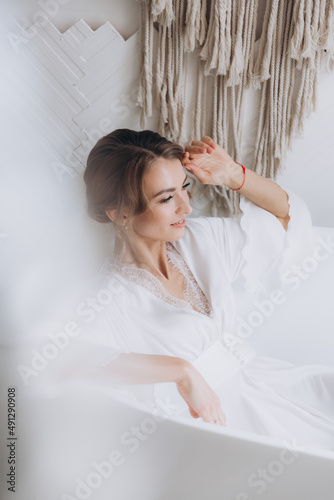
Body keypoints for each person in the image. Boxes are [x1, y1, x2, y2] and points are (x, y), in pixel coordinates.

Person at [80, 128, 334, 451]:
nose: (186, 207)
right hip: (218, 426)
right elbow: (71, 363)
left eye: (184, 188)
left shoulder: (200, 240)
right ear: (119, 212)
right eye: (167, 198)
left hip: (270, 384)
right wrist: (181, 371)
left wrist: (233, 175)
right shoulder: (108, 299)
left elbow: (287, 218)